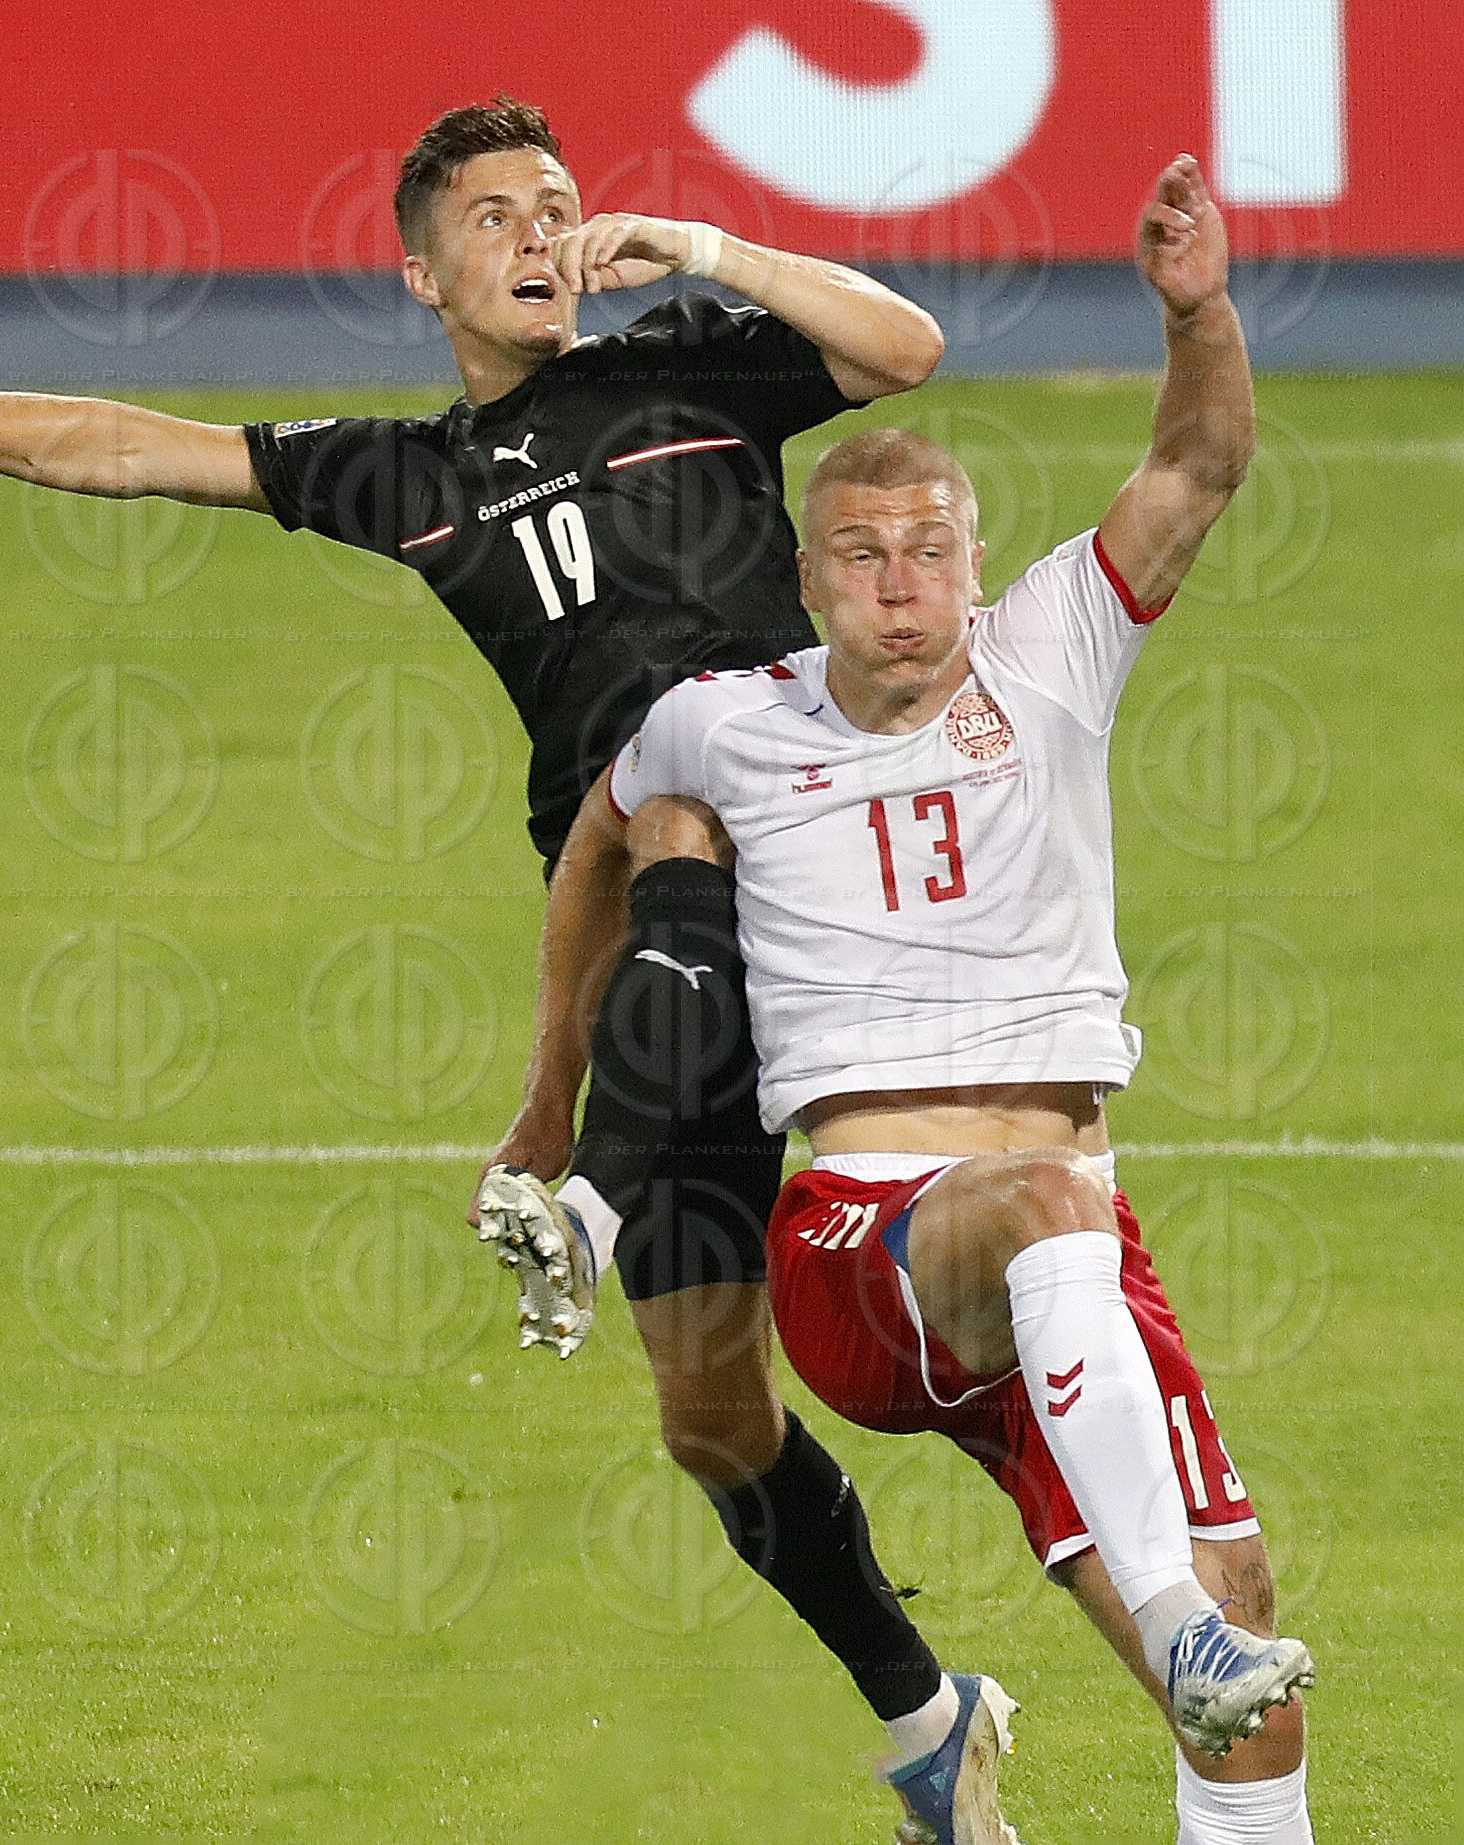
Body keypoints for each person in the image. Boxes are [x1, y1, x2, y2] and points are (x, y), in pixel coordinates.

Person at [0, 97, 1021, 1844]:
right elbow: (124, 443)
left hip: (801, 850)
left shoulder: (692, 363)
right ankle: (931, 1718)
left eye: (560, 205)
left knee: (687, 801)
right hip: (629, 930)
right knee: (709, 1412)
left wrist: (698, 244)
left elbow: (904, 345)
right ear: (422, 273)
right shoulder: (411, 474)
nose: (543, 236)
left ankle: (593, 1205)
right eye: (497, 219)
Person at [529, 155, 1317, 1842]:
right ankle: (1174, 1633)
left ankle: (1200, 1653)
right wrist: (550, 1099)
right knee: (1051, 1238)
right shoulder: (722, 720)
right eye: (863, 553)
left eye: (933, 550)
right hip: (865, 1249)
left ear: (978, 564)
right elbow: (594, 852)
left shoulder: (1048, 654)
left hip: (1077, 1250)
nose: (903, 582)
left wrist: (1197, 311)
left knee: (1256, 1671)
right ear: (807, 583)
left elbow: (1199, 459)